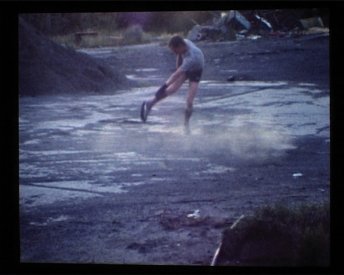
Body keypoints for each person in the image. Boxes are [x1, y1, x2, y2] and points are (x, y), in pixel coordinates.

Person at [140, 35, 204, 132]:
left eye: (175, 50)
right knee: (172, 89)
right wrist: (178, 67)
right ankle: (149, 103)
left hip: (197, 69)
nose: (174, 53)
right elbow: (179, 57)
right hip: (187, 66)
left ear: (180, 46)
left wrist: (163, 86)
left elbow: (176, 75)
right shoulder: (184, 42)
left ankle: (186, 125)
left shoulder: (191, 57)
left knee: (189, 101)